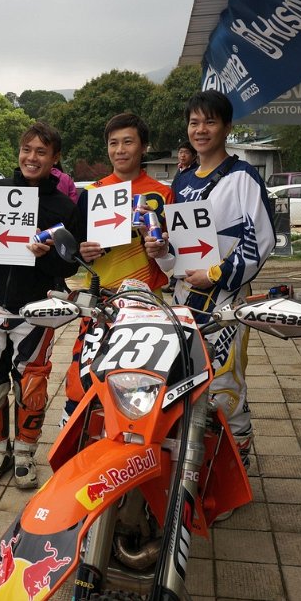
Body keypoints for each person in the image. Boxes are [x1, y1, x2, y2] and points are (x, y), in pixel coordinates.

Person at [165, 90, 275, 476]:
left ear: (227, 127)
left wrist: (216, 273)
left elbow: (262, 240)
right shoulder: (181, 181)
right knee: (186, 379)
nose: (201, 129)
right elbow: (176, 250)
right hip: (184, 299)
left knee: (225, 381)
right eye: (194, 122)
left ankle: (235, 465)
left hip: (226, 300)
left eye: (210, 122)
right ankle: (193, 461)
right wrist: (160, 251)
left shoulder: (243, 177)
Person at [0, 122, 82, 489]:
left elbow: (70, 265)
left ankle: (25, 454)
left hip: (36, 307)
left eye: (41, 152)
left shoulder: (64, 206)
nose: (32, 158)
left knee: (32, 384)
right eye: (26, 150)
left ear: (55, 158)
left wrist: (47, 256)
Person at [62, 113, 174, 421]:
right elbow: (77, 251)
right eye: (113, 143)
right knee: (83, 382)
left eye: (128, 142)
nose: (120, 150)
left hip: (147, 301)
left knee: (143, 384)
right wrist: (83, 252)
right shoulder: (92, 193)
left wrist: (162, 250)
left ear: (144, 147)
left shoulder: (162, 193)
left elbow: (174, 259)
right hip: (102, 301)